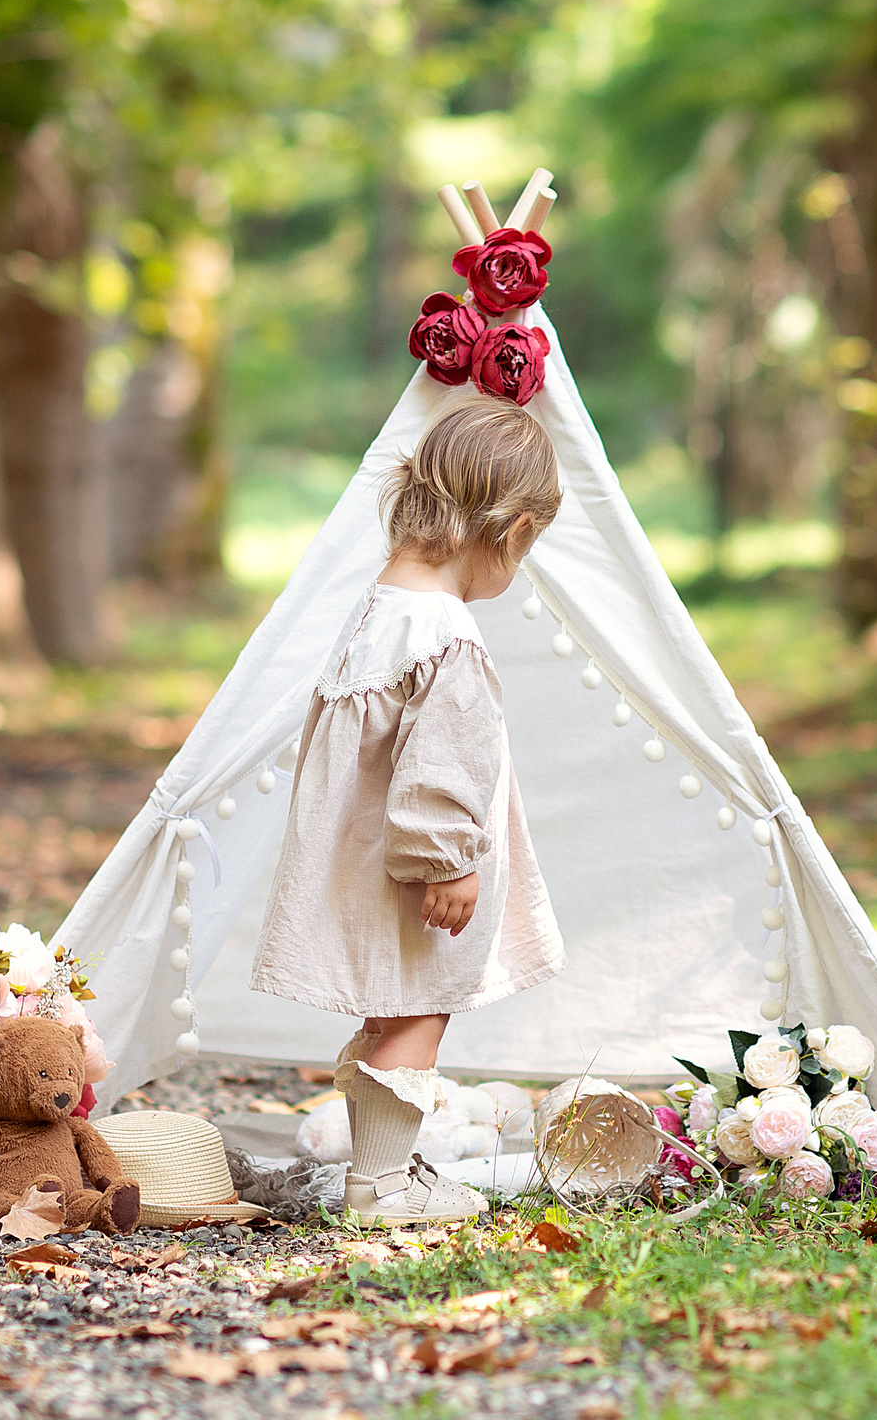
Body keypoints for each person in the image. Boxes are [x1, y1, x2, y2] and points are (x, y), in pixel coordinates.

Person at [249, 396, 566, 1224]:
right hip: (415, 874)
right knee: (418, 1014)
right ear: (514, 529)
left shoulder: (379, 607)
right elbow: (439, 764)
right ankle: (382, 1185)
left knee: (389, 1009)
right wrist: (450, 861)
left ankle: (383, 1166)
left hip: (363, 859)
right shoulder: (447, 633)